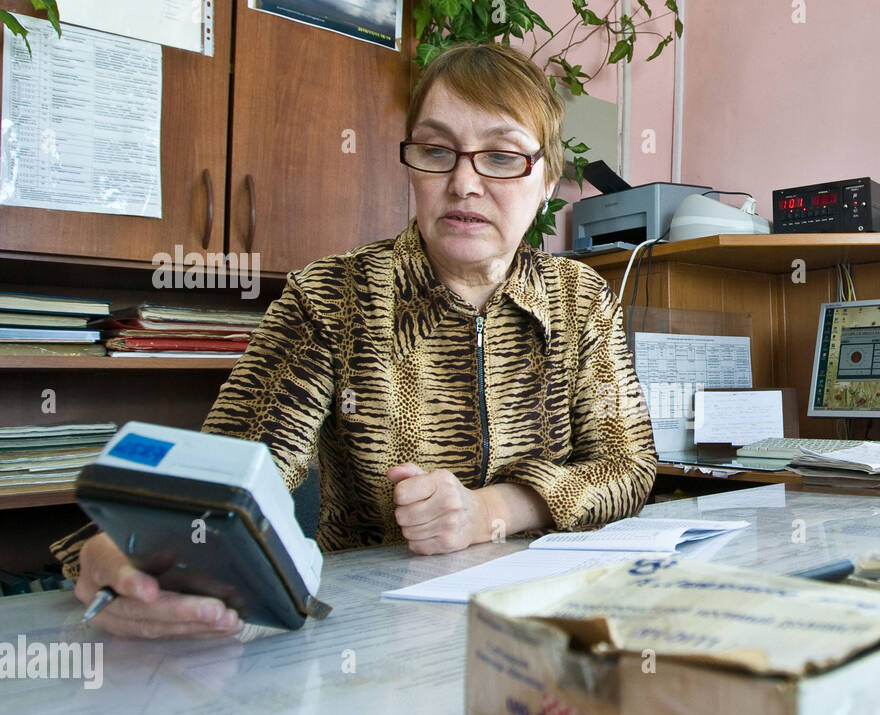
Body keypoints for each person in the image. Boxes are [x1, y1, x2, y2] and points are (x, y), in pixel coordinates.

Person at [50, 43, 657, 639]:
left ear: (546, 179)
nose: (464, 182)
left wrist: (491, 512)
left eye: (500, 156)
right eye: (436, 150)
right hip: (379, 634)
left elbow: (629, 466)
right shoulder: (333, 295)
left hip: (547, 620)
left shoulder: (580, 298)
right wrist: (119, 549)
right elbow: (227, 475)